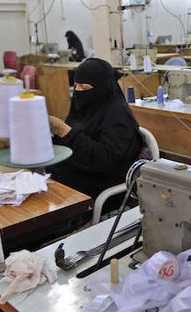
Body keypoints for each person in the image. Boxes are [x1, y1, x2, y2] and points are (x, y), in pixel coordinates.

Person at [47, 58, 142, 209]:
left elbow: (105, 160)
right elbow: (69, 145)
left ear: (102, 88)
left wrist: (64, 131)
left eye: (84, 88)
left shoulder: (118, 116)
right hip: (77, 174)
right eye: (76, 86)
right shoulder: (83, 109)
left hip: (102, 184)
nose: (78, 92)